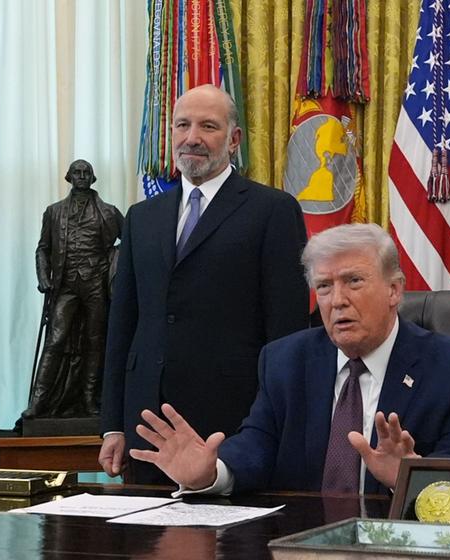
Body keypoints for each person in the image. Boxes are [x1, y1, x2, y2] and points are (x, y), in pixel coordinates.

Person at [125, 224, 450, 494]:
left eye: (353, 281)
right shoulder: (285, 360)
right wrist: (211, 473)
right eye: (324, 286)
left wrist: (414, 476)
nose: (337, 301)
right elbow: (258, 443)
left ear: (394, 290)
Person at [99, 85, 309, 483]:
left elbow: (287, 333)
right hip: (147, 428)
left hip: (232, 427)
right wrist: (113, 424)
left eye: (207, 126)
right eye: (182, 125)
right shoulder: (141, 217)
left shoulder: (273, 211)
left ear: (233, 139)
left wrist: (277, 424)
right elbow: (122, 327)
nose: (192, 137)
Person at [23, 159, 124, 419]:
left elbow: (131, 241)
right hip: (65, 284)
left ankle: (91, 400)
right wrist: (43, 276)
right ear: (69, 177)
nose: (81, 176)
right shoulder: (54, 211)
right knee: (55, 340)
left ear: (93, 177)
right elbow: (42, 249)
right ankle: (38, 402)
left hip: (95, 284)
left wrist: (115, 265)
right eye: (77, 172)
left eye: (86, 172)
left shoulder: (109, 212)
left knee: (95, 342)